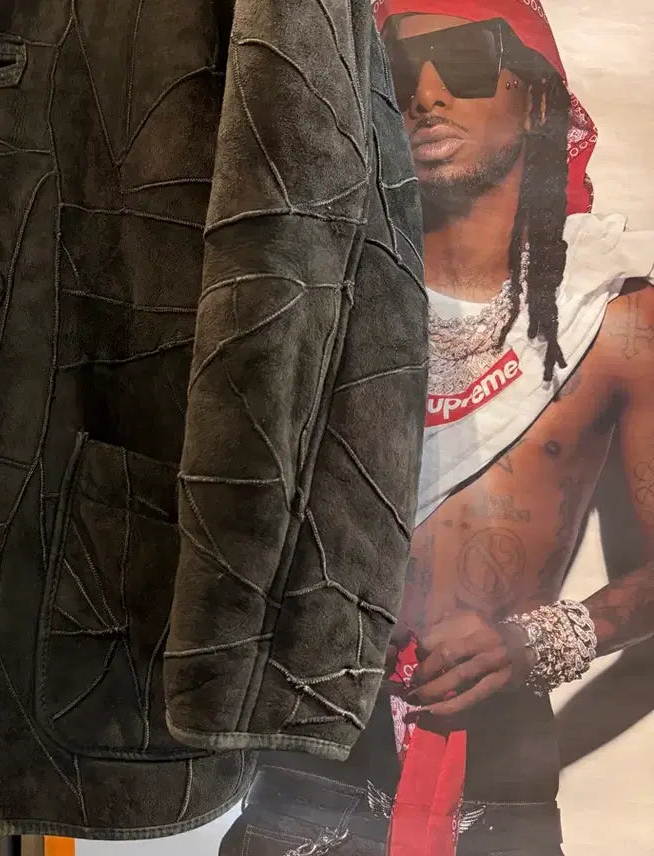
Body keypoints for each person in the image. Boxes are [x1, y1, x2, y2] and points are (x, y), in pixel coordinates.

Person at [218, 1, 654, 854]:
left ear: (537, 98)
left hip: (501, 788)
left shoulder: (613, 319)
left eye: (463, 58)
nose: (424, 94)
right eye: (396, 70)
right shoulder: (314, 296)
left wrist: (537, 642)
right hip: (302, 775)